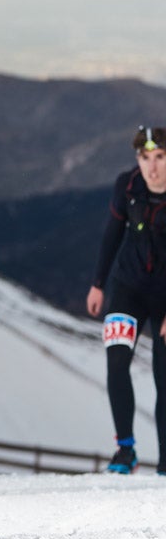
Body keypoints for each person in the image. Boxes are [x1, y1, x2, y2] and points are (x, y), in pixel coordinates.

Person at [86, 125, 166, 476]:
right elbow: (111, 234)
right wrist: (98, 284)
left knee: (164, 377)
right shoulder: (128, 186)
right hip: (127, 287)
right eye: (146, 158)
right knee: (117, 361)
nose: (153, 167)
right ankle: (125, 451)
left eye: (161, 157)